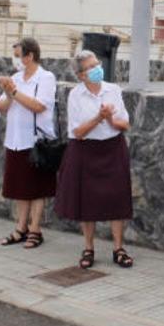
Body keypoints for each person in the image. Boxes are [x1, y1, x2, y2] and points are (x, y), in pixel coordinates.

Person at [55, 50, 134, 269]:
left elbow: (125, 123)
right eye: (91, 66)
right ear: (81, 75)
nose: (97, 68)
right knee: (86, 200)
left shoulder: (113, 90)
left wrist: (109, 119)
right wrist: (99, 117)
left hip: (112, 147)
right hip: (85, 149)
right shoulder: (76, 95)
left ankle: (119, 248)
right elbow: (78, 131)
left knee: (117, 198)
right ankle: (88, 247)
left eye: (97, 63)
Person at [0, 38, 58, 250]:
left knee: (37, 188)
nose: (15, 61)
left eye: (17, 56)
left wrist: (14, 92)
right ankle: (21, 228)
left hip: (35, 140)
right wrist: (8, 93)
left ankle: (35, 229)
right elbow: (2, 107)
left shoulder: (46, 78)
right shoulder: (16, 78)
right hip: (15, 139)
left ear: (29, 56)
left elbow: (39, 106)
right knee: (21, 188)